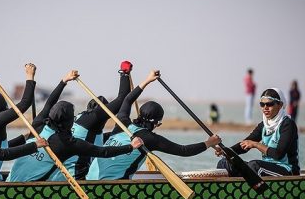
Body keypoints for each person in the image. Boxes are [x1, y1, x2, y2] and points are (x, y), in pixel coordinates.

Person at [6, 70, 143, 182]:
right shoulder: (66, 142)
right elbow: (103, 152)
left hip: (10, 181)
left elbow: (49, 104)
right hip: (68, 179)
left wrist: (63, 81)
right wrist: (131, 147)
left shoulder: (38, 124)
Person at [86, 70, 221, 180]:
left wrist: (148, 80)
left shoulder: (122, 121)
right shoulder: (150, 139)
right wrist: (208, 143)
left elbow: (127, 99)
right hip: (111, 186)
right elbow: (183, 151)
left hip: (89, 179)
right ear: (156, 123)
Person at [62, 60, 133, 180]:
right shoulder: (95, 117)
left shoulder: (80, 120)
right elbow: (122, 100)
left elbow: (98, 139)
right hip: (77, 178)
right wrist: (124, 73)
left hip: (64, 173)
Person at [216, 88, 299, 176]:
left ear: (280, 105)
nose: (265, 108)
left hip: (286, 170)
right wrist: (225, 151)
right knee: (225, 163)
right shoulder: (263, 125)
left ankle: (251, 187)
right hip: (266, 169)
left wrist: (256, 144)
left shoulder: (288, 124)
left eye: (269, 104)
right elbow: (245, 144)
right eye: (262, 104)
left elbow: (278, 154)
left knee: (254, 166)